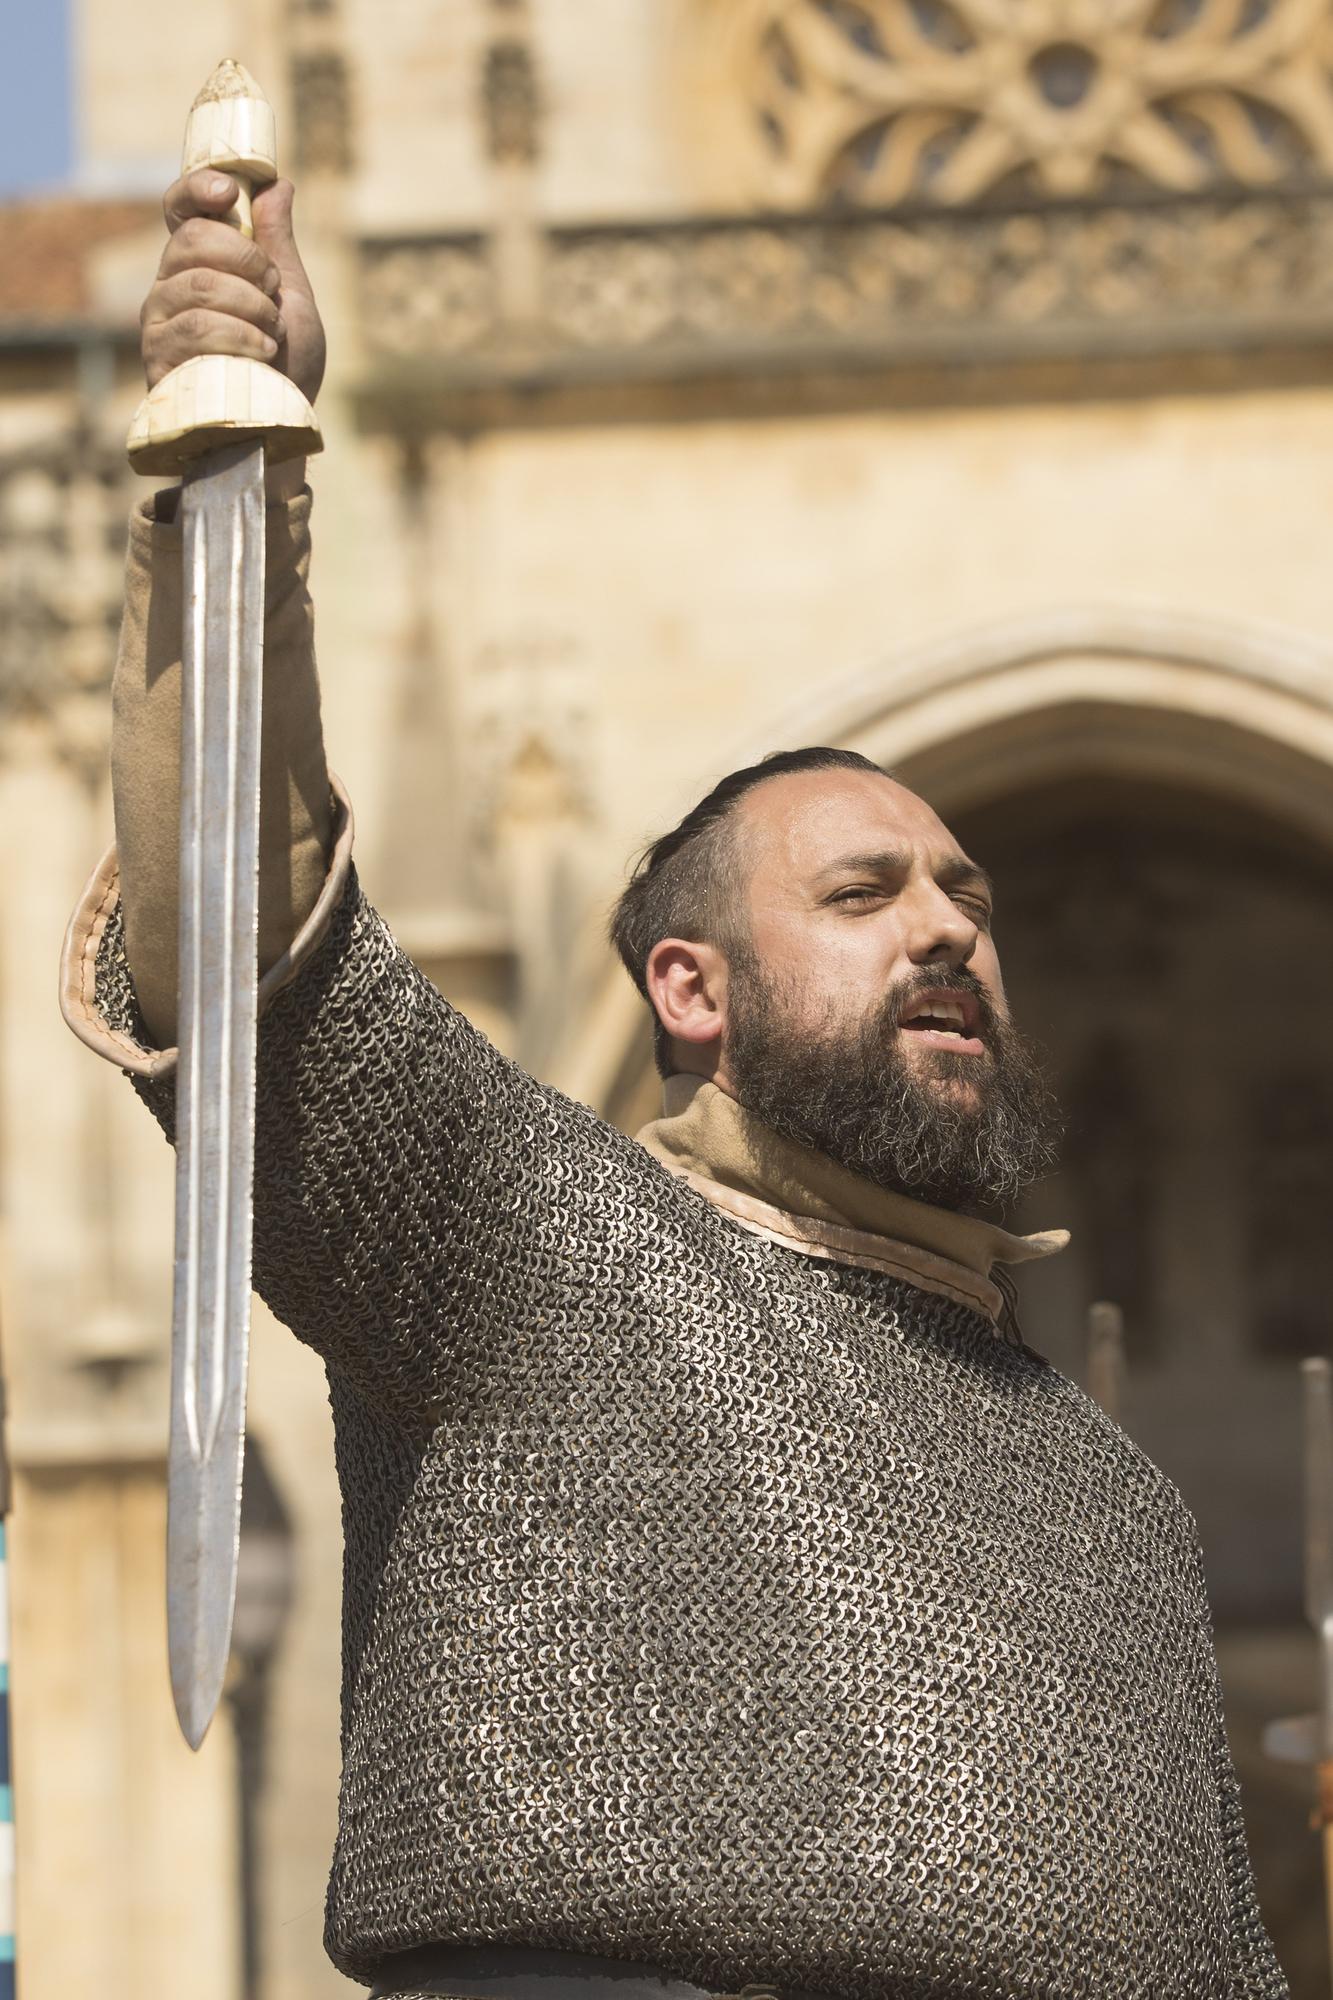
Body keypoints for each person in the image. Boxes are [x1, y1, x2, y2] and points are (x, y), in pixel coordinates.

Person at [61, 171, 1288, 2000]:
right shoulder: (531, 1248)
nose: (945, 929)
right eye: (863, 896)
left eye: (967, 895)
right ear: (686, 990)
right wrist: (241, 493)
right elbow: (247, 949)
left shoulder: (1109, 1498)